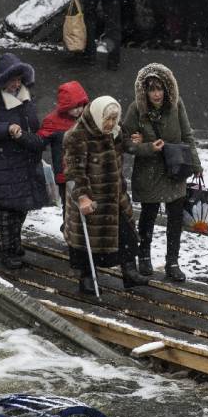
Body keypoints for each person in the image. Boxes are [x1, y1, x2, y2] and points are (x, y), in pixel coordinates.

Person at [121, 63, 201, 282]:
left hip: (175, 168)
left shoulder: (176, 105)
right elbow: (124, 140)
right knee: (148, 215)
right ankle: (144, 255)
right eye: (151, 89)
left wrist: (196, 165)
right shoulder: (136, 109)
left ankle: (172, 261)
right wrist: (146, 147)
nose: (156, 94)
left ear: (167, 89)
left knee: (175, 218)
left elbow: (187, 135)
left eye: (160, 88)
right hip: (149, 170)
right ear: (144, 91)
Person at [64, 95, 149, 294]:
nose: (111, 123)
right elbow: (74, 172)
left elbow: (126, 143)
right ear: (96, 115)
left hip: (115, 194)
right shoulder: (77, 135)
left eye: (114, 118)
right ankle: (86, 277)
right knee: (87, 243)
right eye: (107, 119)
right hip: (91, 197)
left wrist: (136, 142)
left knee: (126, 233)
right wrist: (83, 196)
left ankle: (129, 272)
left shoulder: (115, 131)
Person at [0, 53, 48, 268]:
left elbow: (33, 123)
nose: (16, 84)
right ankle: (8, 249)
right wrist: (6, 129)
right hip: (0, 162)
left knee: (20, 207)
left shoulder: (25, 97)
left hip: (23, 160)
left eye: (19, 80)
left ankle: (14, 244)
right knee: (5, 208)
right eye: (12, 80)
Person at [38, 80, 90, 223]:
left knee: (87, 206)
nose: (79, 110)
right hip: (66, 173)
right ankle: (69, 233)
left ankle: (81, 236)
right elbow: (40, 141)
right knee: (70, 209)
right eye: (74, 107)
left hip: (86, 171)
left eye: (81, 105)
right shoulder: (53, 121)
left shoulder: (86, 118)